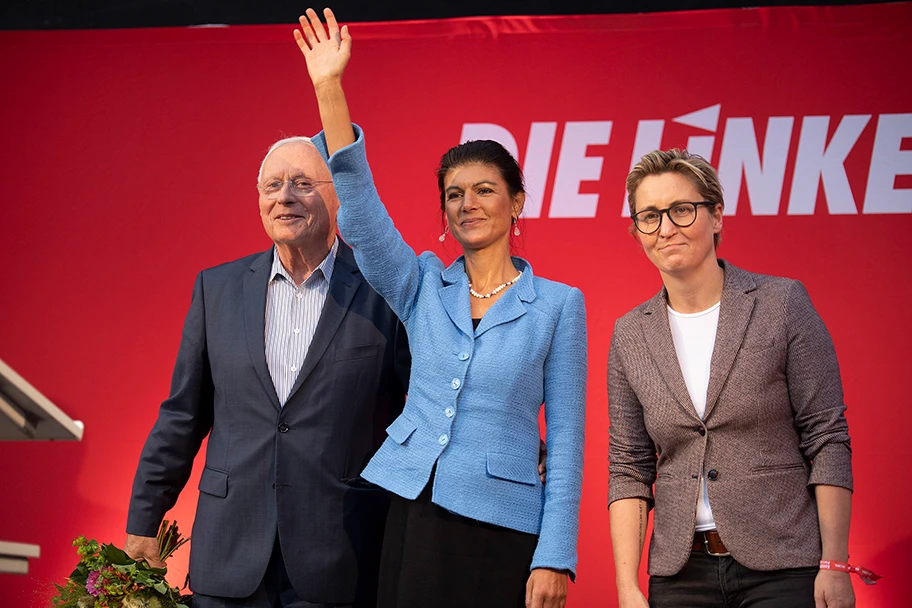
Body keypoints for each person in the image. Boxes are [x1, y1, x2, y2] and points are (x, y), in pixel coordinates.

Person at [294, 8, 587, 608]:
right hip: (410, 509)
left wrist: (555, 554)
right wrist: (330, 89)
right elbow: (363, 213)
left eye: (484, 190)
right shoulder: (422, 284)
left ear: (517, 203)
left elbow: (567, 441)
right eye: (454, 195)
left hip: (502, 527)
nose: (467, 205)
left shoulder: (559, 306)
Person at [124, 133, 410, 607]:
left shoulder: (385, 292)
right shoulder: (216, 289)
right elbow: (182, 417)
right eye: (271, 185)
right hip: (229, 556)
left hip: (340, 558)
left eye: (302, 183)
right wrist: (143, 521)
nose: (285, 197)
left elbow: (427, 406)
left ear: (337, 193)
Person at [607, 148, 855, 607]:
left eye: (681, 210)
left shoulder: (781, 304)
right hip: (680, 575)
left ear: (716, 215)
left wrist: (834, 563)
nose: (665, 229)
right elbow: (628, 468)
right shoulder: (630, 334)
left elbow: (827, 436)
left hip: (783, 566)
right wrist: (627, 588)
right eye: (649, 216)